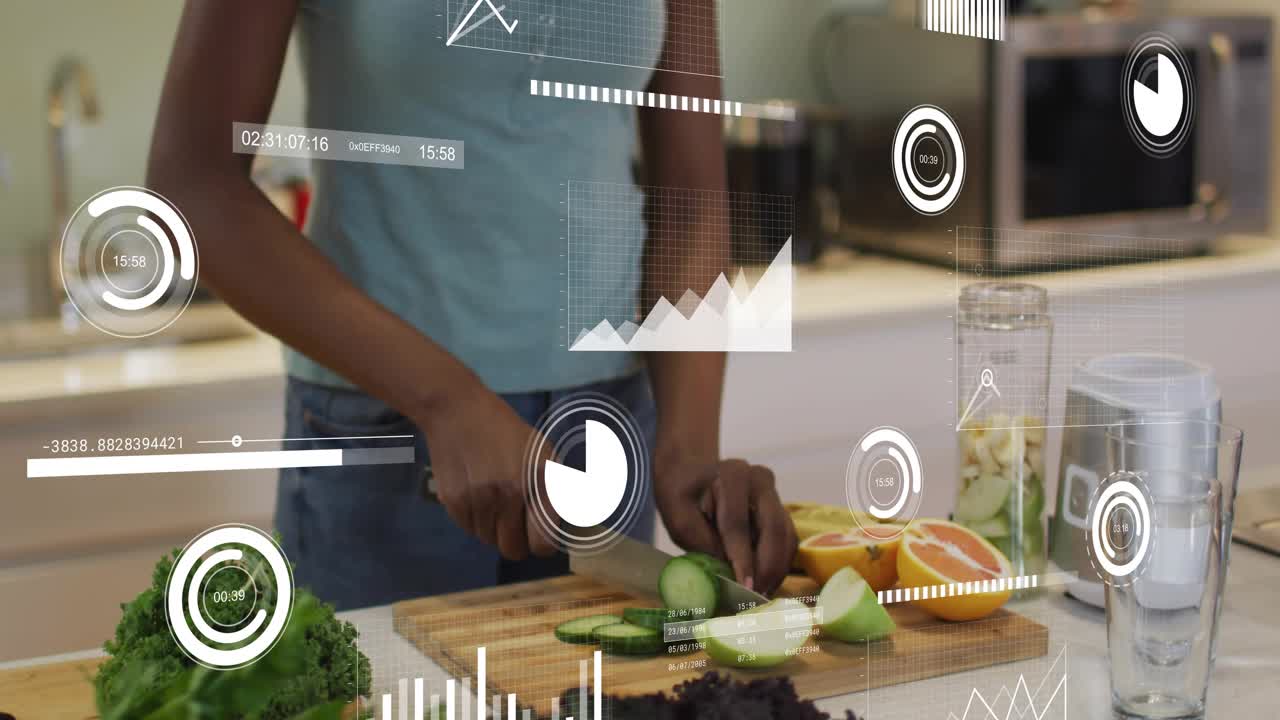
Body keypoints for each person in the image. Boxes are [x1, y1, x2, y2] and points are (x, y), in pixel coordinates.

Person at [148, 0, 796, 610]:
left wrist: (690, 449)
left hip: (608, 432)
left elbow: (692, 200)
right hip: (391, 432)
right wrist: (446, 398)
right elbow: (194, 187)